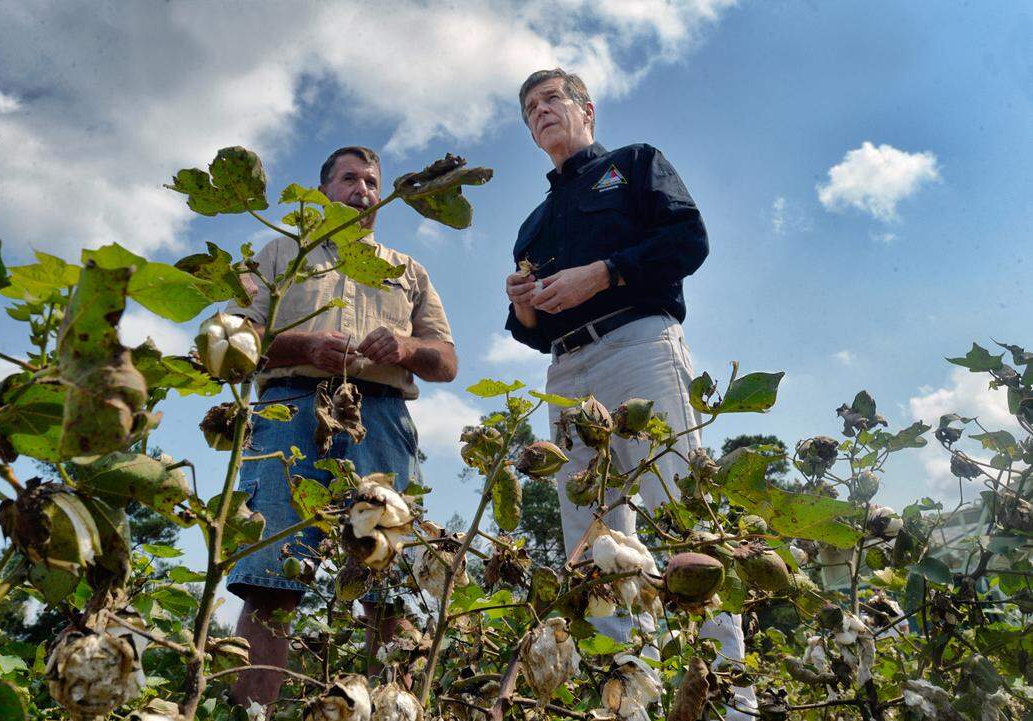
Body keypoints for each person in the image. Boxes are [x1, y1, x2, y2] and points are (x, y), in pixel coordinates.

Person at [504, 69, 756, 718]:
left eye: (551, 100)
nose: (540, 112)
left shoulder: (635, 164)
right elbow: (530, 334)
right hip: (565, 369)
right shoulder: (533, 225)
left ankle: (733, 700)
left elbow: (688, 240)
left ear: (586, 108)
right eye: (529, 109)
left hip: (639, 343)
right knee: (591, 538)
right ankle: (628, 702)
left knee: (679, 509)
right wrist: (524, 308)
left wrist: (604, 273)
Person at [224, 146, 457, 705]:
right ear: (324, 191)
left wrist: (404, 347)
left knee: (388, 586)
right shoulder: (279, 253)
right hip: (290, 412)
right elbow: (232, 340)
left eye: (372, 182)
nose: (363, 189)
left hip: (381, 419)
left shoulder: (408, 270)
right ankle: (249, 715)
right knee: (270, 581)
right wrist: (302, 344)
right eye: (349, 178)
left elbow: (446, 361)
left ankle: (393, 713)